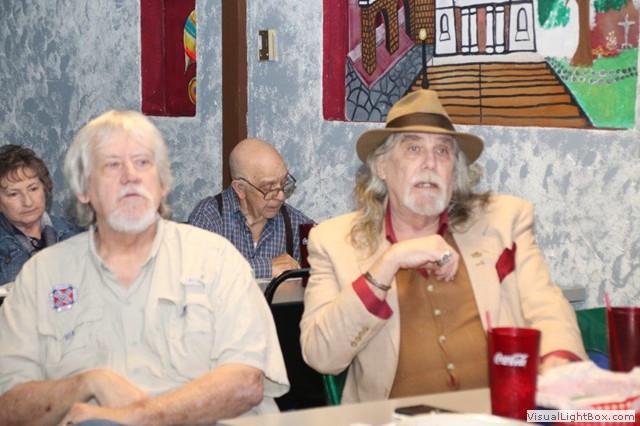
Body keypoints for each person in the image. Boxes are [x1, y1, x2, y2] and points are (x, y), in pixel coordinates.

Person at [0, 111, 289, 425]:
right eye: (112, 165)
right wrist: (88, 383)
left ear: (162, 183)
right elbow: (8, 406)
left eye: (142, 163)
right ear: (83, 189)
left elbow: (246, 384)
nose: (130, 177)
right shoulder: (40, 276)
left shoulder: (216, 260)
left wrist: (133, 417)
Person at [299, 90, 587, 403]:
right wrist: (389, 262)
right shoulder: (334, 241)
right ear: (382, 166)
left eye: (442, 151)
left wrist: (558, 360)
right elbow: (321, 355)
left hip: (500, 414)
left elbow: (547, 305)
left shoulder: (503, 221)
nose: (430, 163)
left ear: (455, 172)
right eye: (413, 149)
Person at [189, 138, 314, 279]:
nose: (281, 196)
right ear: (240, 189)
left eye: (284, 183)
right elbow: (195, 273)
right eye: (268, 188)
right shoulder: (210, 216)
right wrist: (268, 268)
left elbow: (325, 265)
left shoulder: (294, 223)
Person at [0, 145, 80, 286]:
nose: (28, 202)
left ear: (45, 188)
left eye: (33, 189)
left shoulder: (73, 230)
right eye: (13, 194)